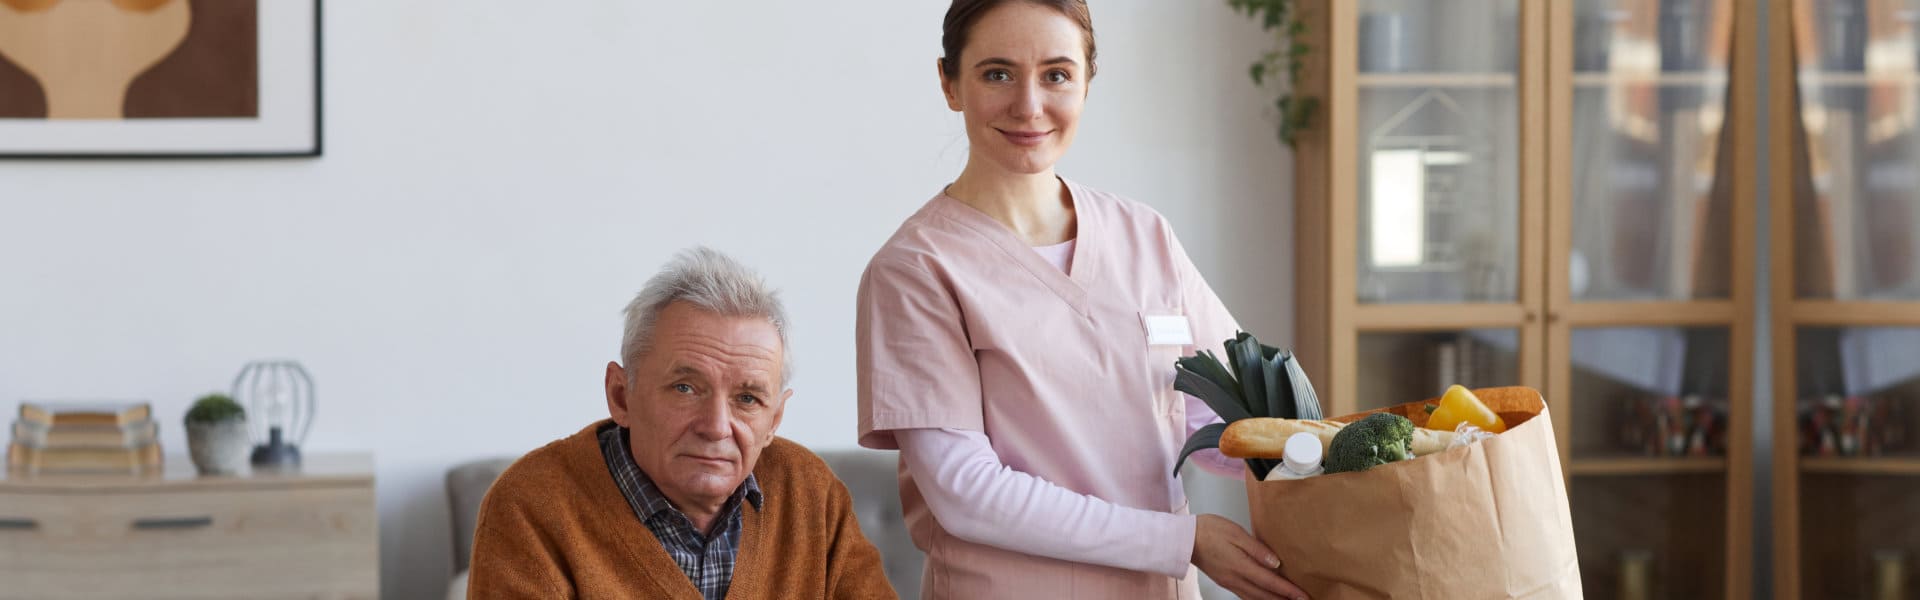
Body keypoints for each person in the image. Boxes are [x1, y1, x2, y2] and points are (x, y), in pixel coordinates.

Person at [854, 2, 1311, 599]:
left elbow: (1234, 423)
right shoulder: (915, 270)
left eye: (1056, 74)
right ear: (949, 84)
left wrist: (1320, 452)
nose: (1029, 104)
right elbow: (966, 492)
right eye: (997, 74)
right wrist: (1184, 541)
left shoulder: (1144, 236)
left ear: (1087, 82)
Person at [472, 247, 895, 599]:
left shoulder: (810, 493)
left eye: (747, 398)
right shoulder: (531, 506)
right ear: (621, 395)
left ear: (774, 420)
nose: (716, 426)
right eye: (685, 388)